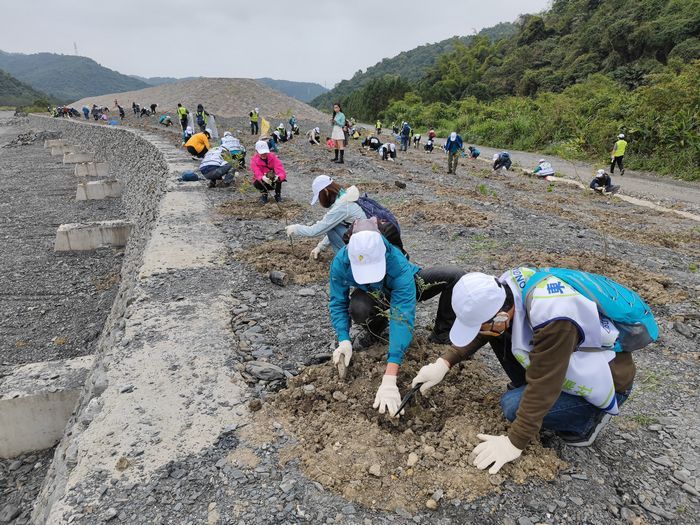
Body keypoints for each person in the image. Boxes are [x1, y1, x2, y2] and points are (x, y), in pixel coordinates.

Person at [411, 269, 650, 471]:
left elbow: (546, 383)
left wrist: (514, 442)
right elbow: (485, 330)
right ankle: (543, 402)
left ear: (501, 312)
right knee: (497, 333)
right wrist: (443, 363)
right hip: (562, 359)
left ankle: (587, 422)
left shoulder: (554, 318)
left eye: (482, 324)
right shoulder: (508, 286)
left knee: (512, 406)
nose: (481, 330)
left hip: (605, 380)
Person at [328, 219, 465, 416]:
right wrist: (343, 339)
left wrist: (390, 376)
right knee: (358, 307)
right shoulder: (341, 262)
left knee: (455, 275)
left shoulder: (396, 261)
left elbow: (401, 317)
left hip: (408, 284)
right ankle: (375, 329)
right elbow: (338, 301)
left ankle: (440, 337)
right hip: (373, 295)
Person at [285, 176, 366, 258]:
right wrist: (320, 247)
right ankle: (346, 256)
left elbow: (314, 231)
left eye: (320, 196)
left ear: (326, 191)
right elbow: (332, 227)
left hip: (364, 246)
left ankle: (345, 260)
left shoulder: (342, 206)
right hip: (366, 239)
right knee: (332, 227)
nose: (321, 200)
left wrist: (296, 228)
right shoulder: (344, 196)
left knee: (331, 228)